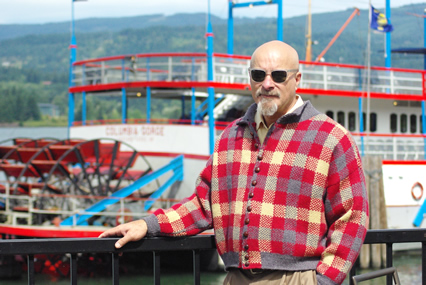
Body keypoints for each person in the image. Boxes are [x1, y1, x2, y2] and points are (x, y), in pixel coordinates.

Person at [99, 40, 369, 285]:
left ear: (297, 79)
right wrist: (148, 225)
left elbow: (352, 216)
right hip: (236, 278)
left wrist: (324, 281)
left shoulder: (331, 137)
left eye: (278, 75)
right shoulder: (231, 136)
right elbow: (204, 204)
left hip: (298, 279)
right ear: (249, 79)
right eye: (258, 75)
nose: (267, 83)